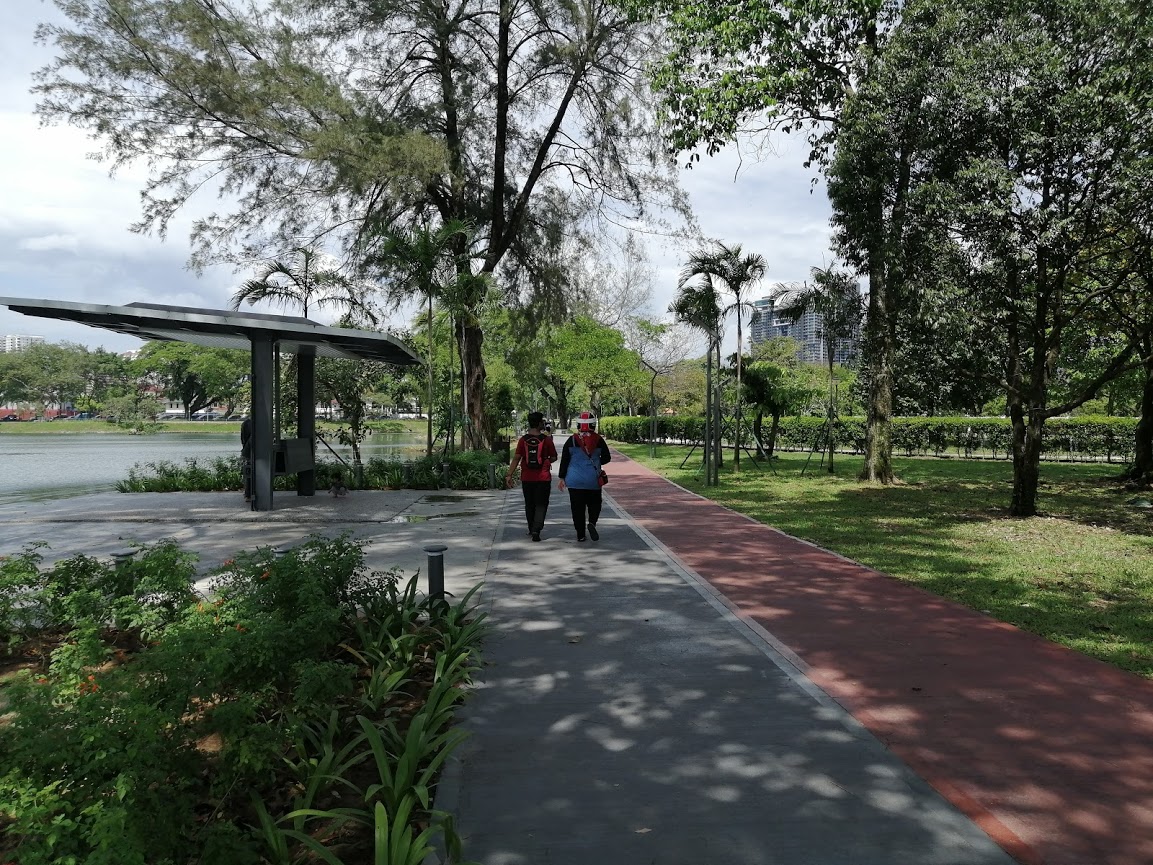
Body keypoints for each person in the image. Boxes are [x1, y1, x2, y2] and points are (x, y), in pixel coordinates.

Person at [557, 411, 611, 542]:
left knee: (577, 508)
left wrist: (562, 477)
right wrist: (596, 462)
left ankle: (580, 534)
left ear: (579, 425)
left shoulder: (571, 440)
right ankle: (592, 522)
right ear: (593, 424)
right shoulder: (598, 440)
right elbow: (607, 457)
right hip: (593, 480)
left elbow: (564, 460)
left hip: (574, 481)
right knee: (595, 504)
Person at [506, 411, 558, 541]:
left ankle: (531, 528)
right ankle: (536, 529)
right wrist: (546, 460)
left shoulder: (523, 440)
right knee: (541, 504)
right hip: (543, 478)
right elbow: (554, 457)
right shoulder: (546, 440)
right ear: (540, 423)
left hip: (527, 478)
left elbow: (516, 458)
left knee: (529, 504)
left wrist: (509, 475)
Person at [240, 416, 253, 502]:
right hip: (252, 452)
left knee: (248, 473)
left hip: (247, 452)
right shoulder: (260, 424)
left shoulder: (245, 423)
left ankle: (248, 494)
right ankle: (249, 493)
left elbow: (243, 439)